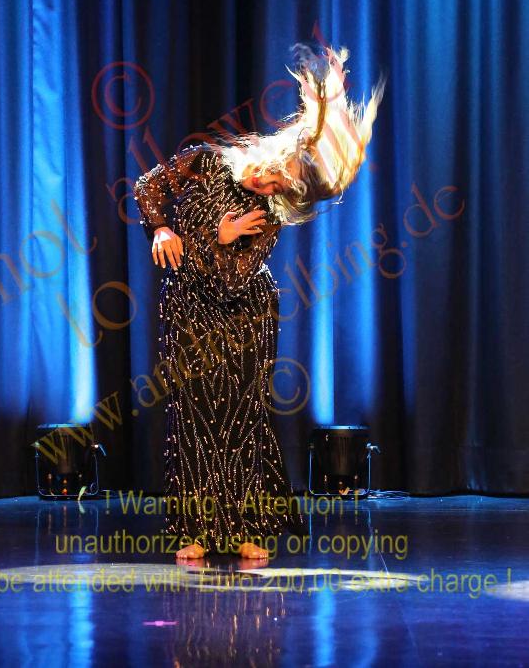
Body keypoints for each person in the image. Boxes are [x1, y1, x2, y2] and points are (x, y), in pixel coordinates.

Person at [132, 44, 386, 561]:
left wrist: (219, 239)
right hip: (188, 310)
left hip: (246, 313)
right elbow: (148, 187)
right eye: (270, 172)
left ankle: (247, 525)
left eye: (276, 186)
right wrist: (160, 226)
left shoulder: (267, 215)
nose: (264, 183)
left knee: (242, 418)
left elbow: (231, 280)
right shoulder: (205, 161)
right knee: (194, 418)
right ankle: (196, 530)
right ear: (271, 151)